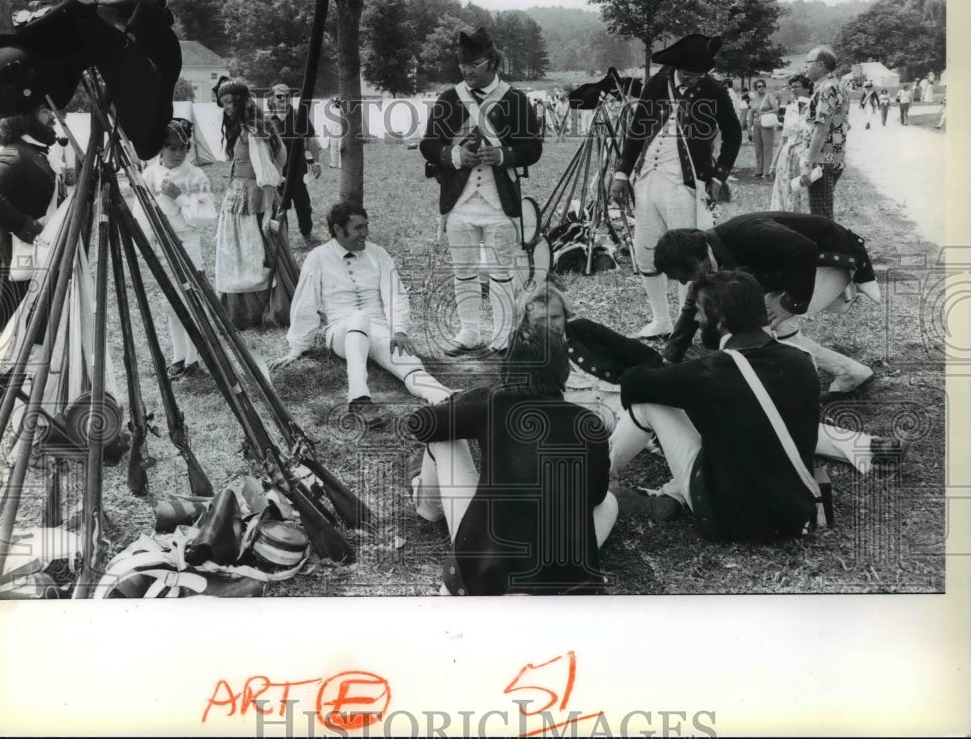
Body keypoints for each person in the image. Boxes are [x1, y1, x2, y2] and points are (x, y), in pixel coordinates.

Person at [517, 282, 907, 482]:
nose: (553, 327)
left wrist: (662, 379)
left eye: (556, 317)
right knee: (723, 430)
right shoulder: (523, 357)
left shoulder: (583, 330)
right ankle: (602, 477)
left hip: (636, 395)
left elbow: (641, 356)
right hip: (600, 422)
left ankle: (867, 447)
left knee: (742, 415)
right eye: (541, 322)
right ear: (526, 325)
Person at [405, 324, 616, 595]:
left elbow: (421, 424)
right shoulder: (589, 423)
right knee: (610, 502)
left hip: (485, 574)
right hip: (559, 587)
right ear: (564, 370)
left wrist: (466, 400)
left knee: (444, 442)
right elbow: (596, 497)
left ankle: (426, 505)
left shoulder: (495, 403)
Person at [611, 271, 821, 540]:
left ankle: (601, 478)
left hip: (728, 518)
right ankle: (672, 495)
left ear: (720, 320)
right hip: (793, 512)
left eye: (698, 312)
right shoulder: (803, 359)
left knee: (650, 403)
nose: (696, 320)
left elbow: (633, 383)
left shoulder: (710, 373)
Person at [652, 212, 880, 400]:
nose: (683, 282)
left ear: (694, 261)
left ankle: (851, 373)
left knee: (770, 319)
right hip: (807, 266)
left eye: (681, 276)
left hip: (834, 257)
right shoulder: (710, 252)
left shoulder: (744, 233)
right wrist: (670, 357)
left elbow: (805, 248)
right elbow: (694, 303)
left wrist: (790, 303)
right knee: (764, 317)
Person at [608, 32, 742, 339]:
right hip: (647, 181)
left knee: (687, 256)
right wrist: (622, 173)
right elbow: (637, 130)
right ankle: (661, 320)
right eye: (689, 74)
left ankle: (687, 325)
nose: (695, 80)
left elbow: (733, 135)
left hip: (685, 184)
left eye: (700, 75)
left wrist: (718, 176)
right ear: (678, 68)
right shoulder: (657, 84)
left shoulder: (714, 90)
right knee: (646, 250)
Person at [419, 26, 543, 356]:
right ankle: (469, 331)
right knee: (464, 270)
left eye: (472, 65)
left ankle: (503, 333)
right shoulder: (449, 98)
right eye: (462, 65)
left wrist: (504, 155)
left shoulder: (515, 100)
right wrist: (455, 155)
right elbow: (429, 145)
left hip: (499, 200)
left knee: (502, 272)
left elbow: (533, 148)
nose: (465, 71)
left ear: (491, 63)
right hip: (459, 200)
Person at [272, 202, 453, 427]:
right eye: (358, 228)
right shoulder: (318, 257)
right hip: (340, 331)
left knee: (404, 360)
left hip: (377, 327)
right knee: (359, 317)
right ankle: (359, 399)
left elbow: (394, 293)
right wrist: (297, 347)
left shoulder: (378, 254)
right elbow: (305, 302)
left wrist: (398, 329)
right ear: (338, 229)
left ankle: (444, 397)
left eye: (366, 226)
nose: (365, 233)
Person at [136, 120, 217, 380]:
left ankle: (195, 358)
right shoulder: (150, 174)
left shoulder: (195, 175)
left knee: (191, 299)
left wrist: (179, 196)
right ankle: (178, 357)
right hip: (161, 244)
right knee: (170, 301)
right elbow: (142, 212)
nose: (178, 153)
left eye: (183, 147)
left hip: (185, 243)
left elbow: (203, 216)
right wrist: (147, 244)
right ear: (162, 148)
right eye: (172, 148)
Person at [212, 77, 287, 330]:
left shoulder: (254, 131)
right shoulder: (245, 130)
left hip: (253, 202)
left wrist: (267, 212)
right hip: (239, 199)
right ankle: (241, 308)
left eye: (230, 102)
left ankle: (260, 309)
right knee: (238, 253)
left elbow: (268, 173)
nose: (227, 108)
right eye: (223, 104)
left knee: (255, 254)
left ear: (242, 101)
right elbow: (280, 157)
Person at [0, 84, 63, 331]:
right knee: (9, 322)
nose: (53, 117)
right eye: (45, 110)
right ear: (26, 117)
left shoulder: (34, 153)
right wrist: (30, 228)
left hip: (38, 255)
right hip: (20, 255)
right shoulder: (15, 156)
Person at [266, 83, 322, 241]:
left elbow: (311, 138)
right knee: (279, 206)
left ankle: (307, 233)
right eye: (279, 96)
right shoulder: (268, 120)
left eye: (286, 95)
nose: (283, 99)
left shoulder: (299, 116)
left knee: (303, 204)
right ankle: (282, 237)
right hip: (277, 170)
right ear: (272, 98)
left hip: (298, 168)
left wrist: (317, 162)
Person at [800, 45, 851, 219]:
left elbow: (821, 130)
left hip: (821, 161)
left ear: (820, 65)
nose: (804, 66)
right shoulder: (839, 86)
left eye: (808, 62)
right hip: (835, 159)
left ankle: (829, 247)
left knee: (821, 218)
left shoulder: (825, 89)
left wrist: (808, 163)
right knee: (824, 212)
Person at [770, 74, 813, 213]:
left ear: (807, 88)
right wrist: (773, 164)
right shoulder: (790, 108)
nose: (793, 90)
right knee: (784, 190)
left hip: (804, 157)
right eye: (791, 87)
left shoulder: (814, 107)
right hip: (786, 156)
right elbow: (783, 138)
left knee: (801, 192)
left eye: (797, 87)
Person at [747, 77, 780, 177]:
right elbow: (751, 114)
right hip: (756, 124)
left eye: (763, 86)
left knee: (767, 148)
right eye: (759, 86)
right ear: (755, 88)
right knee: (758, 148)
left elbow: (776, 109)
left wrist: (764, 112)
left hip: (766, 124)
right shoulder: (754, 99)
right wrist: (749, 128)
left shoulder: (769, 96)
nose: (761, 88)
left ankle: (767, 171)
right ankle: (759, 170)